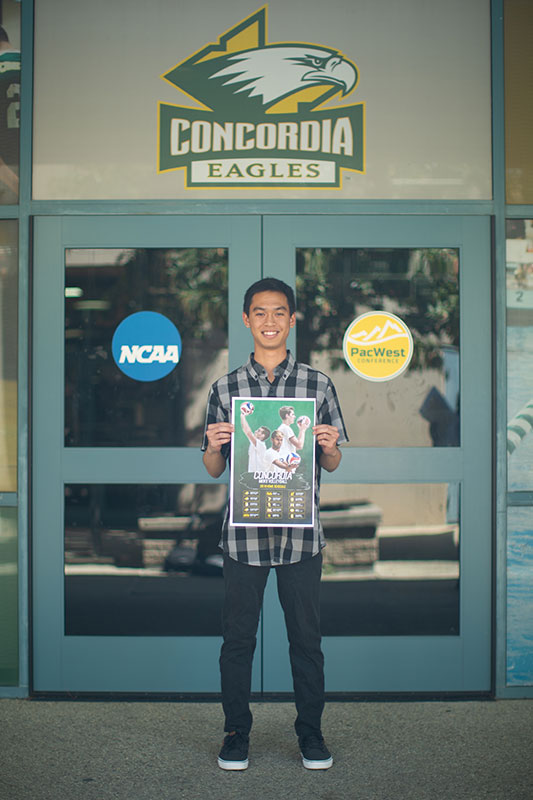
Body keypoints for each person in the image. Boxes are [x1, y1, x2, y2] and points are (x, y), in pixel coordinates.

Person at [202, 277, 347, 772]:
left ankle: (311, 734)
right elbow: (213, 468)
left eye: (279, 312)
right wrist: (213, 445)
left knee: (306, 640)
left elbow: (331, 464)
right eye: (259, 313)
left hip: (300, 535)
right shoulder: (226, 388)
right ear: (246, 320)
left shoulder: (317, 385)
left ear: (291, 319)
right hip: (243, 537)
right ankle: (235, 734)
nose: (269, 321)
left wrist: (328, 447)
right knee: (237, 640)